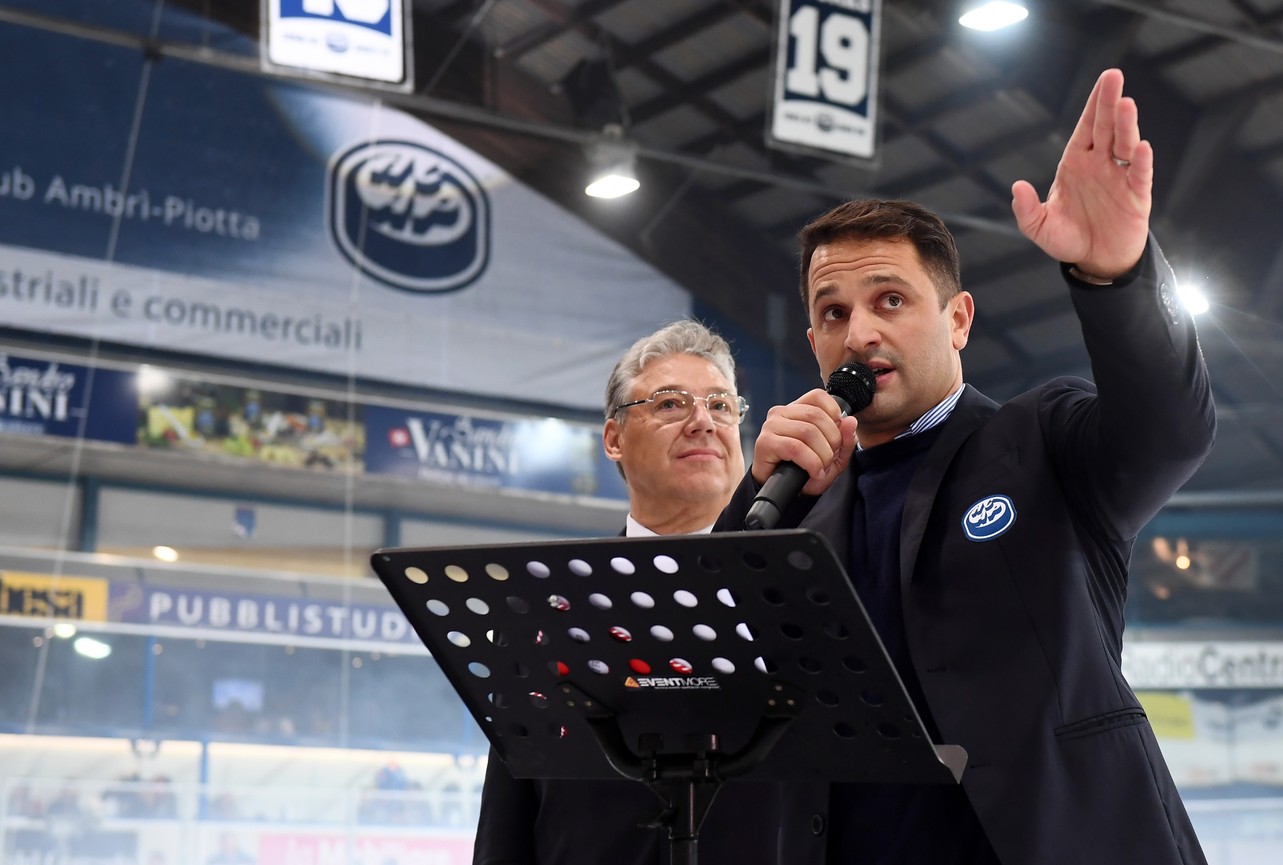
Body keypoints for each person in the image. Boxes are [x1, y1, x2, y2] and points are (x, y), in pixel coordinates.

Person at [715, 68, 1216, 864]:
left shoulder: (1038, 440)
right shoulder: (800, 501)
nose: (859, 334)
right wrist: (752, 490)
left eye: (890, 300)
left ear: (958, 320)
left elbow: (1170, 432)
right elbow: (721, 648)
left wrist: (1114, 277)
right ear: (813, 344)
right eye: (832, 313)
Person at [473, 320, 778, 864]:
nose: (703, 422)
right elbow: (507, 814)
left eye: (722, 405)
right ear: (614, 437)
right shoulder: (541, 610)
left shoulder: (796, 595)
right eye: (669, 404)